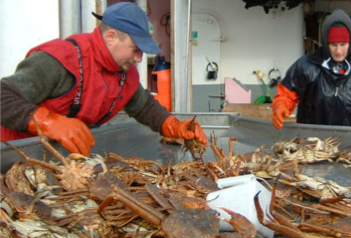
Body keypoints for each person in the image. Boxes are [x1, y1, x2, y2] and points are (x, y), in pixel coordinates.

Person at [0, 2, 207, 155]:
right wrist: (49, 123)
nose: (138, 59)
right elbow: (3, 96)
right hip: (15, 153)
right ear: (111, 37)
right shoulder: (60, 59)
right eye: (135, 50)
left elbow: (144, 107)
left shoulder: (124, 73)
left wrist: (173, 126)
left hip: (61, 159)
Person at [272, 9, 351, 129]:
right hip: (312, 141)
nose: (339, 51)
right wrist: (280, 106)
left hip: (350, 143)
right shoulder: (305, 66)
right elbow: (286, 95)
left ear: (350, 43)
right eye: (333, 45)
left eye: (343, 44)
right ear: (325, 43)